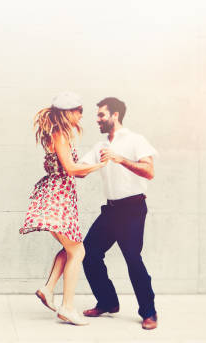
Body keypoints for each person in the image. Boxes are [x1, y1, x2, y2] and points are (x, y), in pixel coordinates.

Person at [19, 92, 106, 326]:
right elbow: (70, 168)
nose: (81, 115)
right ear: (68, 112)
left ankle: (48, 290)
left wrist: (87, 168)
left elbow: (74, 169)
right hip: (58, 197)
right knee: (78, 252)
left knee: (69, 248)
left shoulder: (59, 134)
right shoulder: (59, 135)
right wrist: (102, 164)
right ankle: (67, 307)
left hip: (60, 196)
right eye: (78, 111)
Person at [80, 97, 158, 330]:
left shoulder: (136, 140)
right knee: (90, 253)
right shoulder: (99, 146)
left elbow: (149, 171)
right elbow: (81, 170)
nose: (98, 120)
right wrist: (61, 162)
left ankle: (149, 312)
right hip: (111, 210)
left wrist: (120, 159)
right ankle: (107, 302)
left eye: (102, 115)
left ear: (115, 115)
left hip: (133, 209)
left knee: (133, 259)